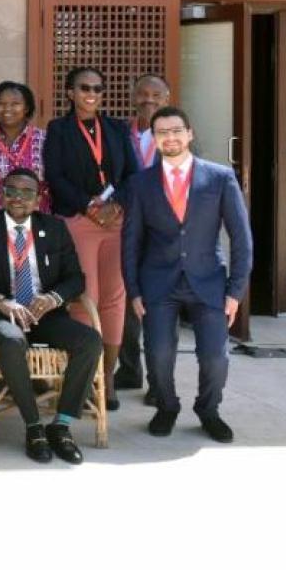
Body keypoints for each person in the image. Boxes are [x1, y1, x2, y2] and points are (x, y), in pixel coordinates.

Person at [0, 168, 99, 464]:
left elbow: (75, 278)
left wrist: (52, 298)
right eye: (11, 191)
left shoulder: (54, 227)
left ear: (39, 198)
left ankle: (61, 425)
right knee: (10, 341)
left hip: (44, 314)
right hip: (1, 315)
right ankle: (34, 427)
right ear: (1, 194)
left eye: (27, 192)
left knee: (90, 341)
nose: (18, 198)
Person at [122, 106, 250, 444]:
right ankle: (166, 407)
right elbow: (131, 242)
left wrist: (235, 291)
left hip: (208, 282)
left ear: (190, 133)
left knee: (215, 357)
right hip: (157, 284)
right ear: (154, 138)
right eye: (162, 132)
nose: (170, 137)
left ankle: (209, 411)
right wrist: (133, 291)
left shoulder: (220, 178)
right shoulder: (139, 184)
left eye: (176, 130)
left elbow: (242, 238)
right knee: (158, 354)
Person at [44, 66, 137, 411]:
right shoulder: (58, 129)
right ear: (70, 92)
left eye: (98, 89)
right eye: (84, 87)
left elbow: (131, 174)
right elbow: (55, 175)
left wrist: (116, 204)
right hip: (80, 219)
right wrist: (88, 204)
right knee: (87, 295)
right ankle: (86, 374)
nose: (92, 94)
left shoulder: (115, 128)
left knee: (115, 298)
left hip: (116, 220)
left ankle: (107, 377)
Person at [117, 73, 172, 395]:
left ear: (167, 99)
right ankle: (129, 369)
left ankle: (158, 382)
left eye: (156, 95)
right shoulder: (120, 133)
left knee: (158, 309)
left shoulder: (178, 135)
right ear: (132, 97)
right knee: (125, 304)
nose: (148, 100)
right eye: (142, 94)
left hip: (163, 233)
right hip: (125, 229)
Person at [0, 81, 50, 215]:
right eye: (1, 104)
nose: (7, 109)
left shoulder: (44, 139)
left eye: (15, 104)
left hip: (36, 218)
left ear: (26, 108)